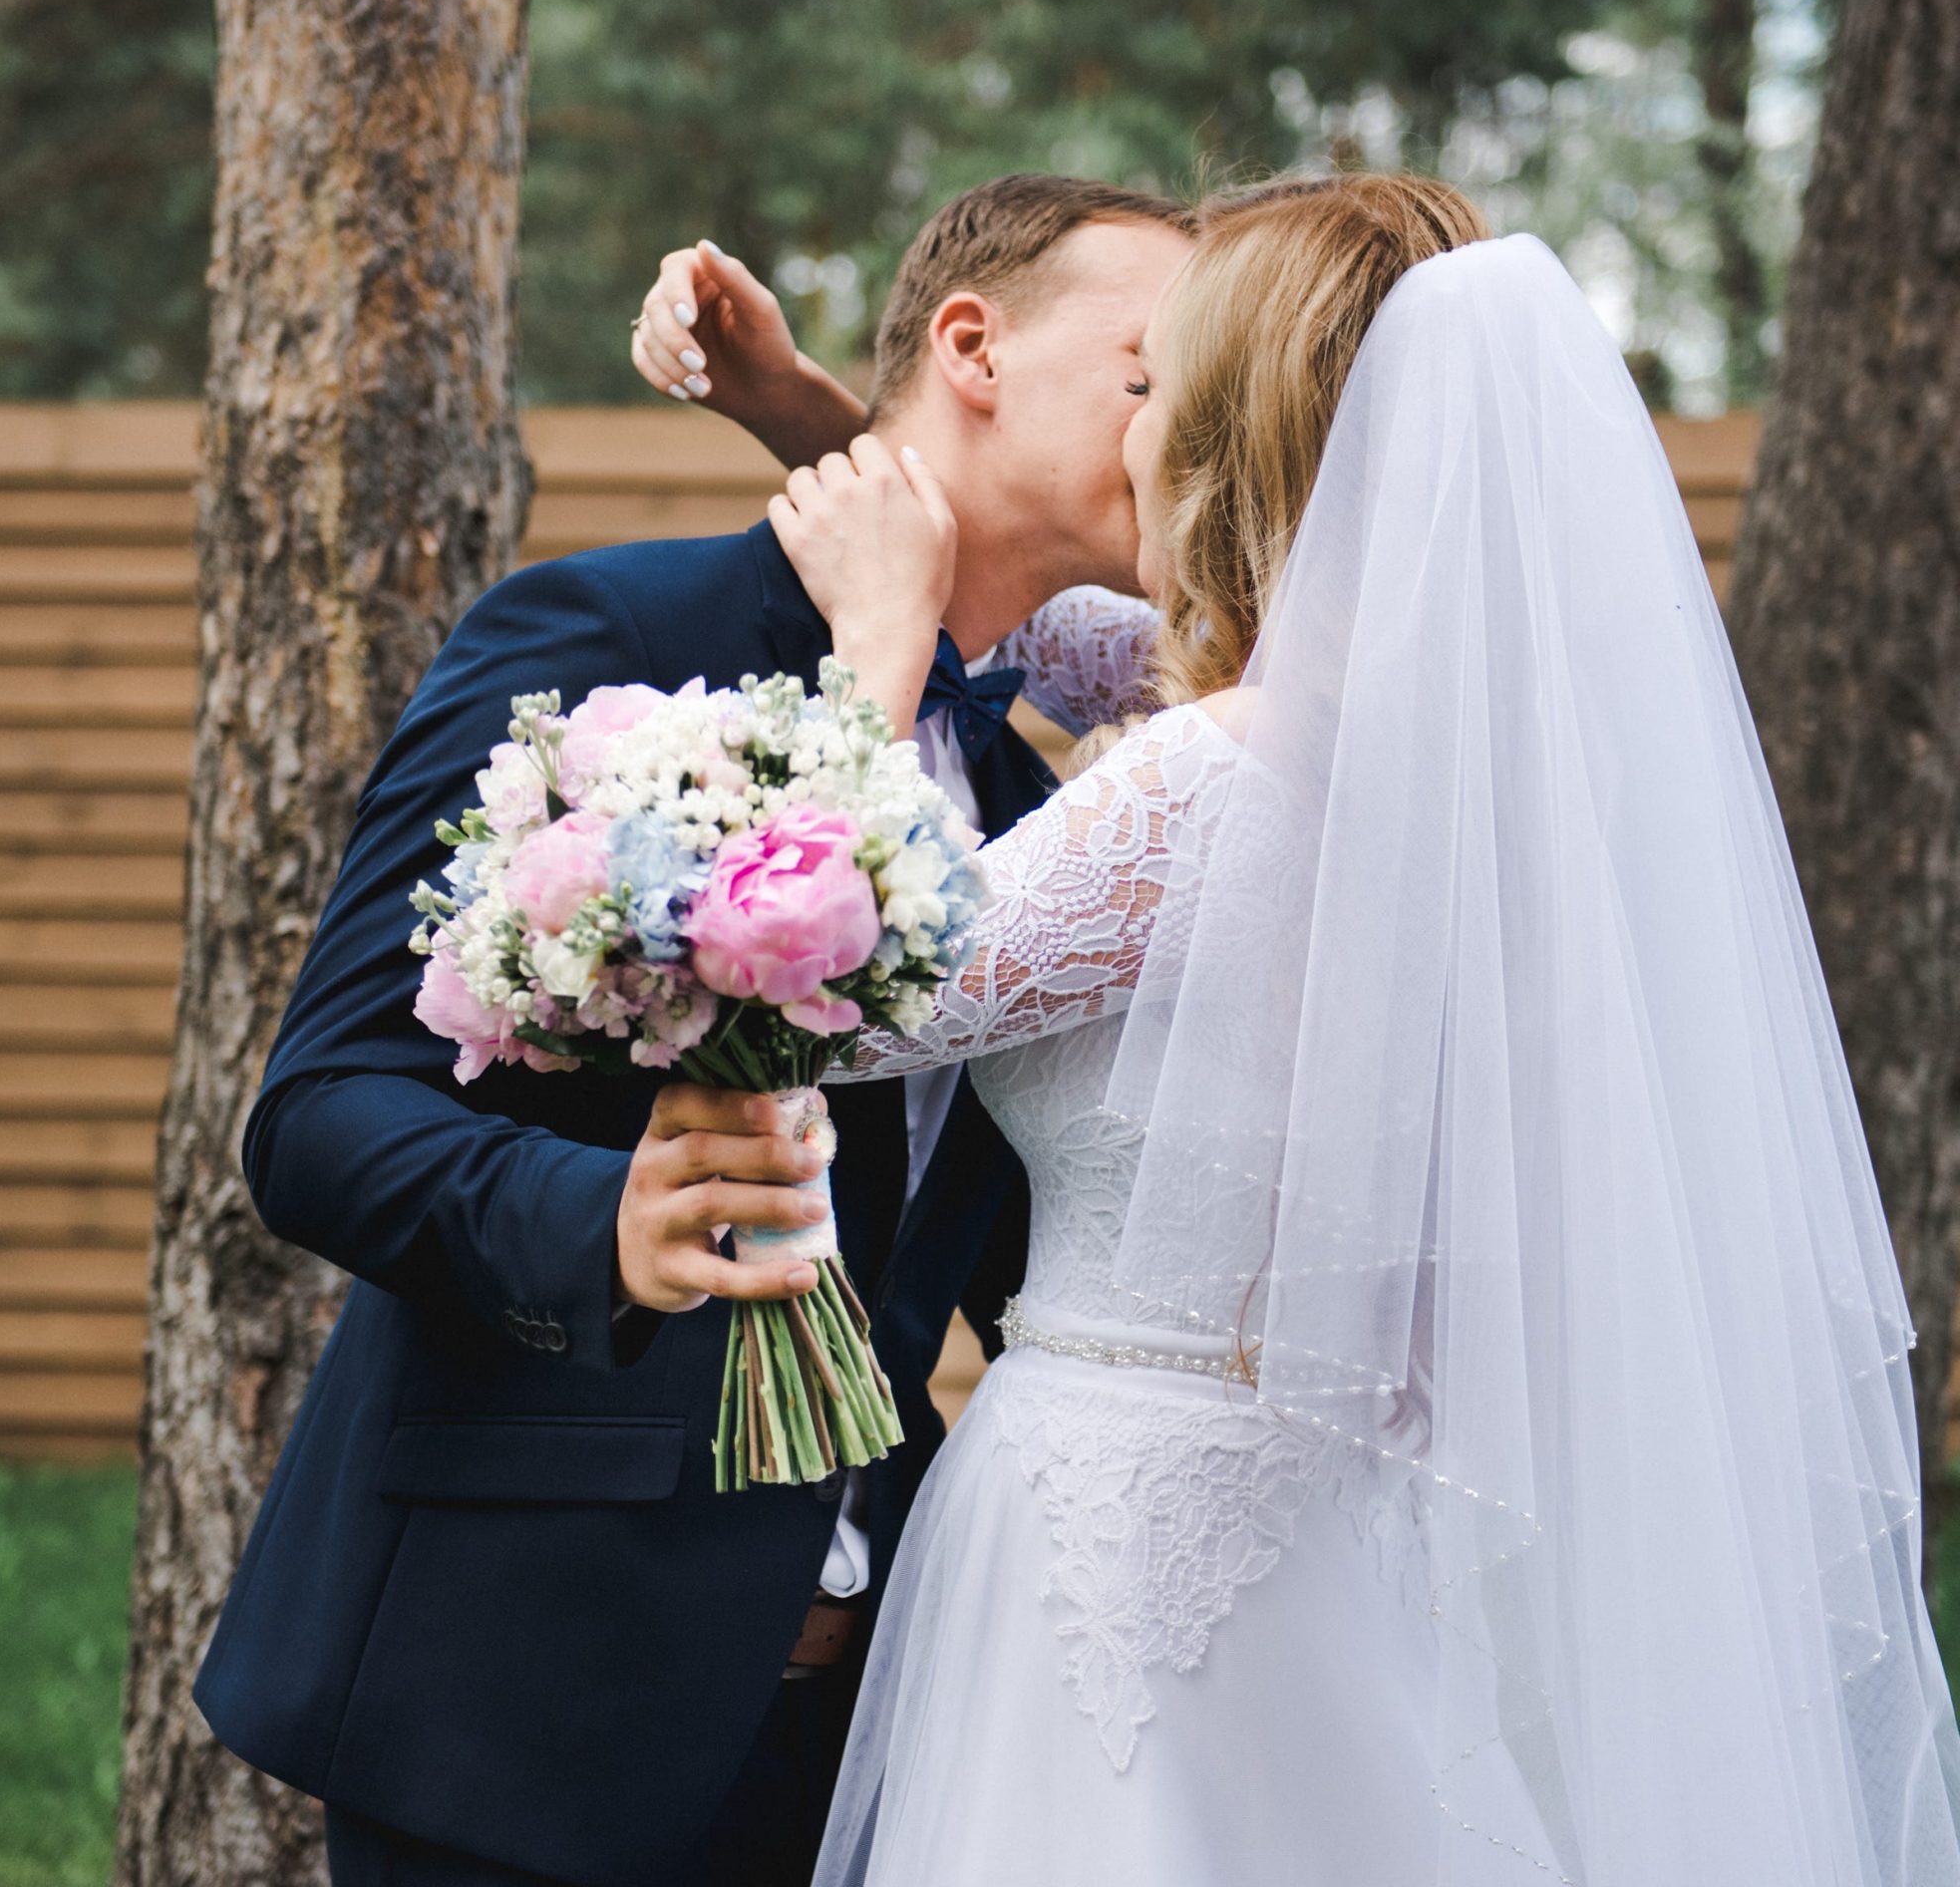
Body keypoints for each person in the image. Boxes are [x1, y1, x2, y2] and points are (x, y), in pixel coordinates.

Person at [668, 172, 1960, 1882]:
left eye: (1153, 389)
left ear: (1219, 430)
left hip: (1120, 1553)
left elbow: (835, 988)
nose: (1128, 426)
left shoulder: (1207, 783)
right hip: (1341, 1546)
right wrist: (822, 423)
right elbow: (1068, 631)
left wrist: (881, 635)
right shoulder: (1470, 772)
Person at [189, 173, 1196, 1887]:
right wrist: (603, 1221)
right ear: (973, 346)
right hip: (520, 1686)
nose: (1188, 432)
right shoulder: (610, 638)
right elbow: (321, 1112)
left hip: (879, 1705)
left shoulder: (1033, 797)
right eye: (1150, 374)